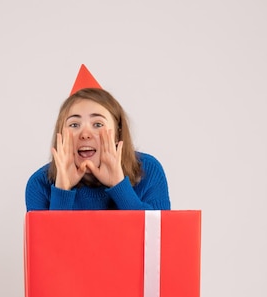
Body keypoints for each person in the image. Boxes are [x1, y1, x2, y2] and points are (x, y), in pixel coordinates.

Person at [25, 65, 171, 211]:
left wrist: (119, 186)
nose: (85, 134)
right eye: (74, 124)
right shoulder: (39, 184)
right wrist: (62, 190)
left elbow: (160, 233)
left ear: (117, 133)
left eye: (97, 124)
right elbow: (48, 235)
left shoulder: (148, 170)